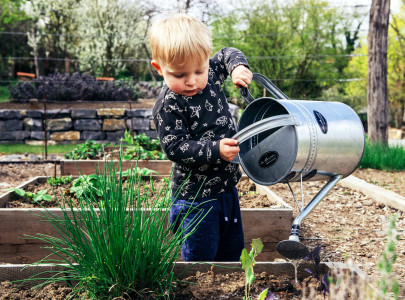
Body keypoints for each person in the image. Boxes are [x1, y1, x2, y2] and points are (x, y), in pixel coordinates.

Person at [149, 13, 252, 262]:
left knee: (231, 249)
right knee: (201, 256)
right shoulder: (168, 105)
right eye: (179, 75)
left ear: (206, 60)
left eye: (199, 70)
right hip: (195, 198)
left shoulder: (213, 74)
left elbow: (228, 52)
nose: (192, 81)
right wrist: (215, 150)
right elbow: (175, 147)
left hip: (227, 188)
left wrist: (238, 67)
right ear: (159, 68)